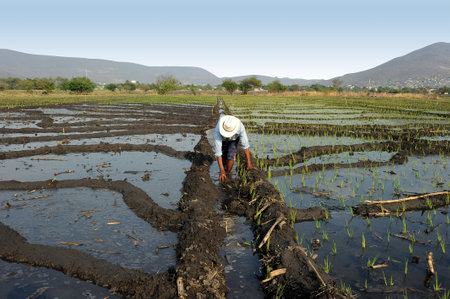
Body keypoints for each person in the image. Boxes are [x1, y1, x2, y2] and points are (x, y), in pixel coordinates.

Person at [214, 115, 256, 182]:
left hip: (234, 139)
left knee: (231, 155)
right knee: (223, 155)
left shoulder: (240, 128)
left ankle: (228, 174)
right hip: (223, 139)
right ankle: (223, 169)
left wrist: (249, 163)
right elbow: (218, 152)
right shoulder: (218, 130)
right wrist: (221, 170)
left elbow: (245, 146)